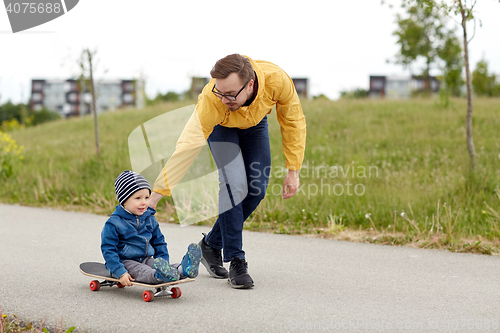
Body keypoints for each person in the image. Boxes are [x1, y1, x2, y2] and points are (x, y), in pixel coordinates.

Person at [149, 54, 306, 289]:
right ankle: (236, 260)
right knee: (234, 184)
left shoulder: (277, 80)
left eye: (230, 94)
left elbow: (293, 122)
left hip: (255, 124)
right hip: (221, 128)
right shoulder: (213, 102)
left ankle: (210, 245)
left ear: (250, 84)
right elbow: (187, 147)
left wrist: (293, 170)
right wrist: (156, 195)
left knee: (256, 189)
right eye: (219, 92)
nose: (224, 99)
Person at [101, 170, 202, 286]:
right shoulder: (114, 223)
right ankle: (159, 276)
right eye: (138, 198)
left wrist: (163, 262)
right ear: (124, 200)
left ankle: (183, 268)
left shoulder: (149, 219)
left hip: (146, 259)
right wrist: (120, 272)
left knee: (157, 265)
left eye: (146, 197)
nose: (144, 202)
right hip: (124, 262)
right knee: (143, 271)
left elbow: (159, 242)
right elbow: (108, 249)